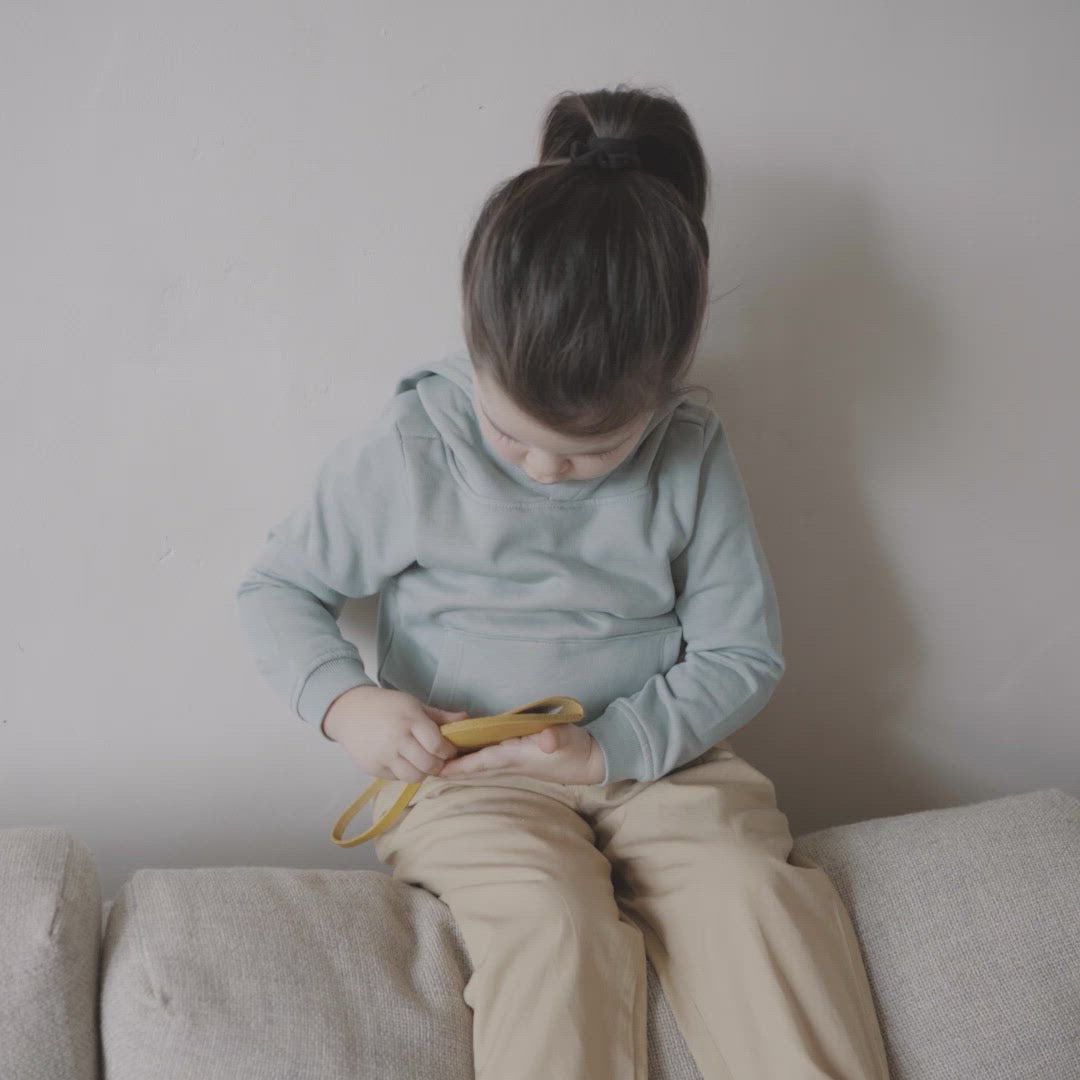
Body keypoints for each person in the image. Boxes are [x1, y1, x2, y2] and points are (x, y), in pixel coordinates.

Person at [235, 83, 891, 1080]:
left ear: (662, 397)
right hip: (472, 782)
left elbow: (740, 652)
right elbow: (278, 589)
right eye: (512, 438)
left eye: (593, 455)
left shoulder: (692, 453)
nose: (545, 473)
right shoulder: (415, 443)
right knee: (552, 923)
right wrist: (348, 704)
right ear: (476, 350)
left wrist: (609, 749)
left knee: (754, 896)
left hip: (661, 765)